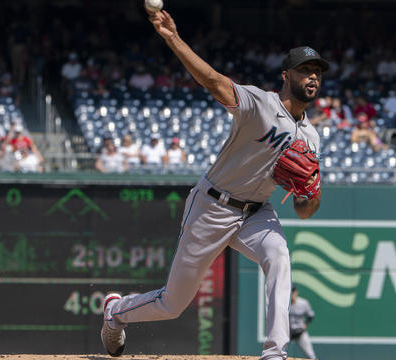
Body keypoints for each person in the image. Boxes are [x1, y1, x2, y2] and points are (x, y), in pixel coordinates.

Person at [100, 6, 325, 360]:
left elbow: (305, 209)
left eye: (317, 72)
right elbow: (213, 81)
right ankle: (116, 312)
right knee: (173, 303)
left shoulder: (311, 137)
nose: (312, 77)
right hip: (213, 205)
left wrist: (310, 192)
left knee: (279, 257)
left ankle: (275, 351)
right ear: (286, 75)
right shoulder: (261, 104)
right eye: (305, 70)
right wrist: (173, 37)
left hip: (256, 213)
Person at [289, 287, 317, 360]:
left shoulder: (303, 303)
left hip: (300, 332)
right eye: (290, 292)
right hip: (287, 333)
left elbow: (310, 316)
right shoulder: (284, 303)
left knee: (310, 355)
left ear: (296, 292)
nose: (292, 294)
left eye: (293, 292)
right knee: (278, 353)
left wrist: (305, 325)